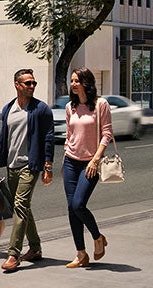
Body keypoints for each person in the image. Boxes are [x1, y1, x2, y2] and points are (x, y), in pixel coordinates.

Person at [0, 68, 55, 272]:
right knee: (23, 207)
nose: (32, 86)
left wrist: (48, 166)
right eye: (28, 83)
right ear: (17, 85)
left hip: (30, 165)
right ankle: (35, 248)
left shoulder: (41, 109)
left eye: (34, 83)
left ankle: (13, 254)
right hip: (11, 166)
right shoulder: (8, 109)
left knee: (19, 205)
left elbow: (49, 138)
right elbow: (3, 138)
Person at [61, 67, 111, 268]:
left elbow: (107, 134)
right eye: (71, 81)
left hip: (90, 163)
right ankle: (81, 254)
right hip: (70, 162)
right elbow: (69, 134)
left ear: (86, 83)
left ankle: (98, 237)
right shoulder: (69, 107)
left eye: (76, 81)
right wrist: (66, 153)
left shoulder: (100, 105)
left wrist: (95, 160)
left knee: (78, 204)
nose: (72, 84)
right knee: (71, 209)